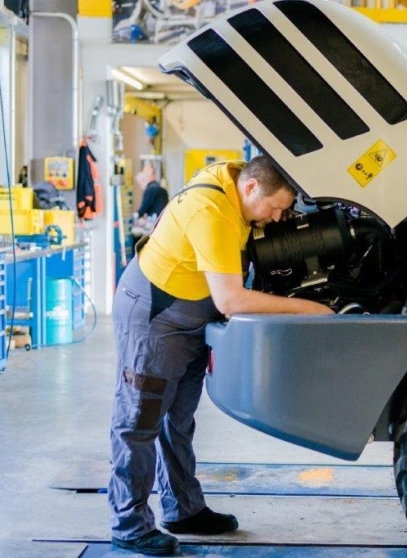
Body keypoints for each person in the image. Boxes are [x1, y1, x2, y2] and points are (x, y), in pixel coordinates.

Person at [109, 155, 333, 556]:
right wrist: (311, 309)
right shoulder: (212, 212)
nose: (280, 217)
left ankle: (182, 510)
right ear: (251, 189)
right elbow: (230, 300)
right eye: (276, 207)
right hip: (155, 317)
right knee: (139, 420)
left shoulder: (235, 177)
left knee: (177, 420)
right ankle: (129, 525)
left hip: (191, 315)